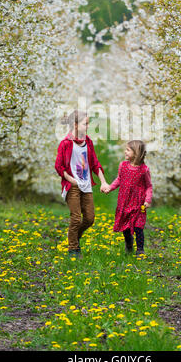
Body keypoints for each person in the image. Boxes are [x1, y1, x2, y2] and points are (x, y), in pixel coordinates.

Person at [55, 110, 109, 258]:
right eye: (86, 123)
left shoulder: (88, 142)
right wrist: (70, 179)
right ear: (75, 125)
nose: (88, 126)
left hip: (86, 186)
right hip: (72, 186)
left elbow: (95, 164)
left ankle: (73, 237)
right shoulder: (65, 144)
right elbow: (59, 166)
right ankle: (73, 249)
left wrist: (103, 182)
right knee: (76, 218)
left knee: (90, 218)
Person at [102, 140, 153, 256]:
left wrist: (147, 200)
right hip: (124, 202)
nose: (125, 152)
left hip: (138, 203)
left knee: (138, 226)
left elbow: (149, 186)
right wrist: (110, 187)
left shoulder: (144, 170)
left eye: (128, 150)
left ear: (136, 153)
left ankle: (140, 250)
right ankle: (129, 244)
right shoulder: (123, 166)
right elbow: (119, 179)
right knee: (125, 226)